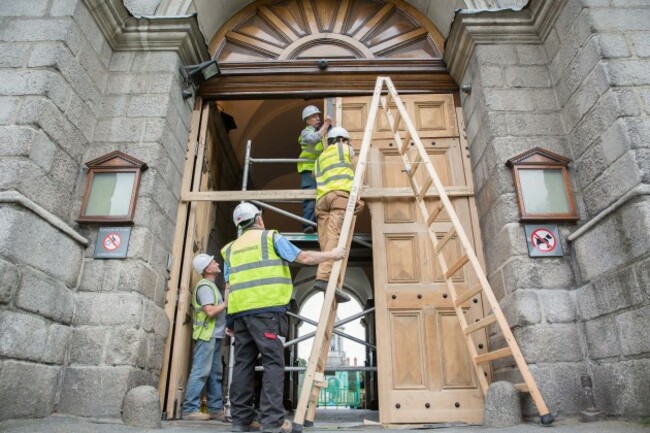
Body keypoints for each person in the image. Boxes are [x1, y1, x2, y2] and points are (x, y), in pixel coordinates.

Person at [222, 202, 346, 433]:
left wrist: (229, 320)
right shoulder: (270, 238)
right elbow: (303, 257)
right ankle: (272, 421)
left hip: (240, 315)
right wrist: (334, 254)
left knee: (242, 365)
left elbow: (228, 287)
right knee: (272, 363)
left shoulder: (230, 249)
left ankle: (241, 420)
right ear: (259, 219)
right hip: (267, 311)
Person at [313, 126, 364, 304]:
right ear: (343, 139)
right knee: (335, 236)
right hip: (339, 197)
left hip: (321, 201)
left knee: (326, 240)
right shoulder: (345, 149)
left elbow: (314, 175)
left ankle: (326, 279)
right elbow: (354, 165)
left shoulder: (319, 159)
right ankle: (324, 277)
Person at [183, 253, 228, 421]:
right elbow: (209, 312)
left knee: (215, 373)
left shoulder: (211, 286)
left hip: (214, 336)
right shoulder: (205, 287)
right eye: (213, 262)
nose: (216, 263)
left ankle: (215, 409)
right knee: (201, 371)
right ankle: (189, 409)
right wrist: (226, 303)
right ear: (207, 269)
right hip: (206, 336)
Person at [297, 105, 332, 233]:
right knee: (310, 196)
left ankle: (319, 225)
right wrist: (326, 124)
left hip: (320, 170)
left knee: (323, 197)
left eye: (318, 116)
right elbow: (313, 139)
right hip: (308, 169)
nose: (318, 118)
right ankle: (308, 224)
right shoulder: (306, 132)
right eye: (314, 116)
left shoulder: (323, 135)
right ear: (307, 120)